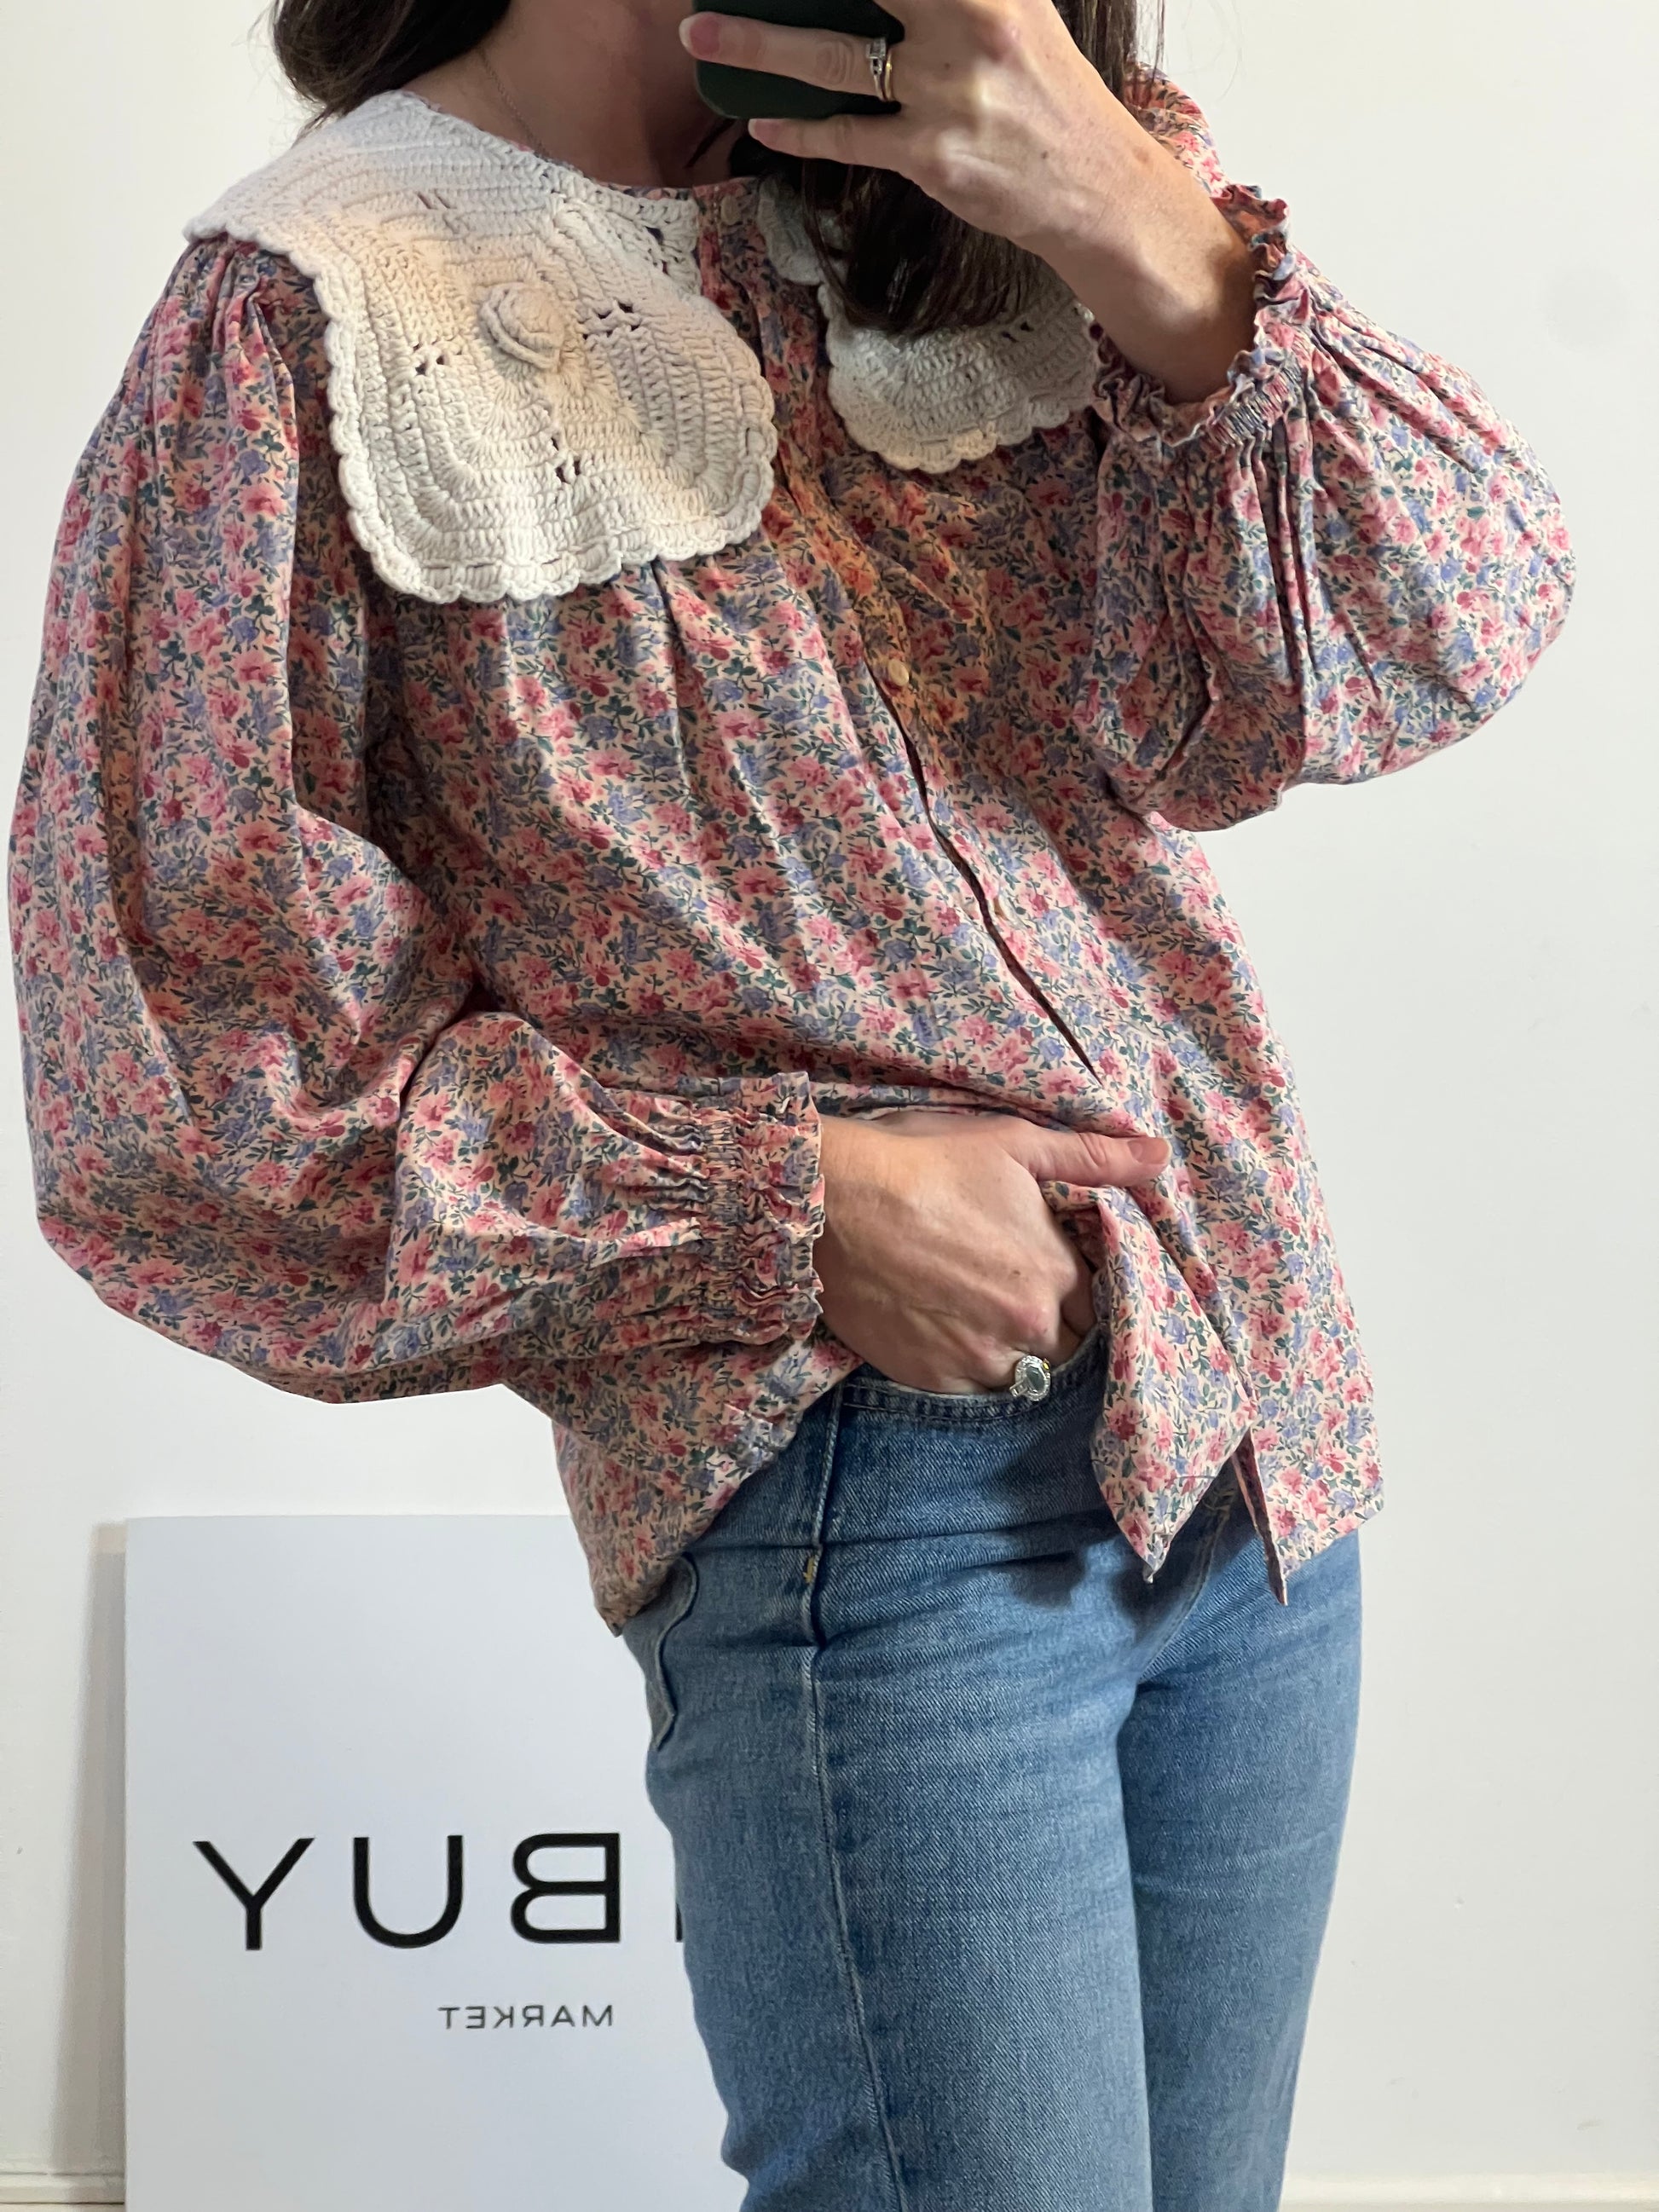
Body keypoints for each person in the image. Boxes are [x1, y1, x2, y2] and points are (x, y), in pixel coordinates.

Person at [8, 0, 1574, 2203]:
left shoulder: (997, 195)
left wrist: (1138, 219)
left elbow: (1463, 604)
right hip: (868, 1486)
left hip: (1252, 1433)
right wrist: (778, 1204)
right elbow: (177, 1077)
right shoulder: (306, 313)